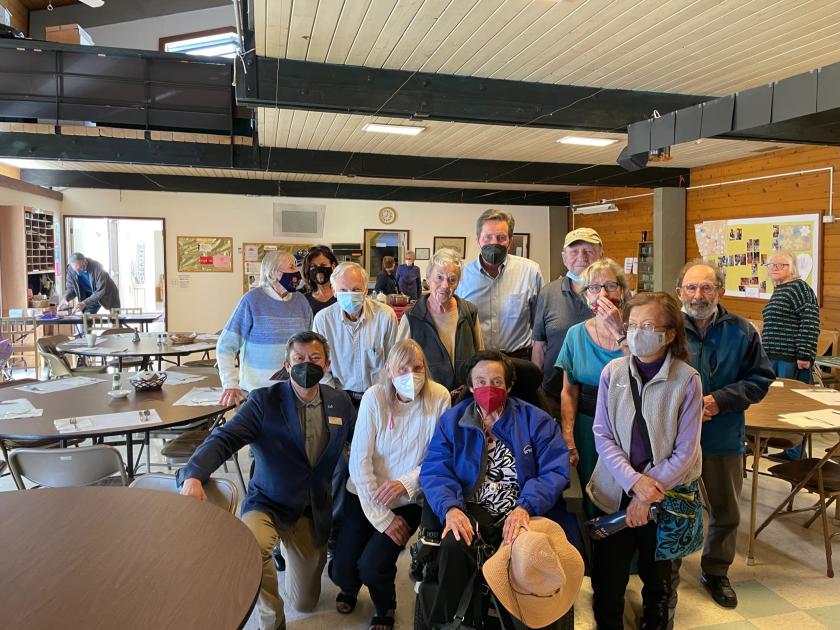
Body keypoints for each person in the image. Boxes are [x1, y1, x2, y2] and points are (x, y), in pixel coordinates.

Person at [178, 331, 356, 630]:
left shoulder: (340, 402)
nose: (306, 364)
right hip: (268, 502)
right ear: (287, 366)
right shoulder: (264, 401)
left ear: (326, 366)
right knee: (252, 549)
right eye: (298, 359)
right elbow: (225, 438)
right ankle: (272, 622)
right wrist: (194, 474)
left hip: (312, 509)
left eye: (314, 359)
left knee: (304, 602)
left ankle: (287, 551)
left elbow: (357, 446)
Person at [419, 350, 571, 625]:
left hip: (524, 510)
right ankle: (446, 622)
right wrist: (451, 508)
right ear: (470, 386)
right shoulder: (453, 422)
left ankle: (526, 619)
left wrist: (525, 507)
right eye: (481, 381)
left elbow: (555, 471)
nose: (488, 388)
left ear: (510, 386)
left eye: (497, 382)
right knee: (454, 545)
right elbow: (436, 470)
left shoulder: (536, 421)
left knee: (528, 560)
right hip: (471, 510)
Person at [588, 292, 703, 630]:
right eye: (633, 325)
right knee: (608, 580)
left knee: (661, 582)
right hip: (614, 491)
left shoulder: (687, 380)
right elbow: (602, 434)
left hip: (666, 498)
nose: (637, 333)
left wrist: (647, 491)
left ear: (669, 334)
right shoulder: (613, 372)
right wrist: (634, 483)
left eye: (648, 326)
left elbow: (686, 452)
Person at [330, 340, 450, 630]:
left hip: (409, 500)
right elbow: (359, 462)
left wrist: (404, 483)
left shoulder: (439, 397)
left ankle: (385, 605)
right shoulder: (374, 397)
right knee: (341, 571)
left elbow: (440, 457)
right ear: (389, 371)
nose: (412, 374)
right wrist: (382, 517)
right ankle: (350, 583)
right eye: (403, 368)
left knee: (372, 566)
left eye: (418, 367)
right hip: (365, 493)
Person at [675, 260, 772, 608]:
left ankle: (715, 571)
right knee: (673, 505)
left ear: (720, 291)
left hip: (723, 434)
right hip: (673, 438)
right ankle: (668, 570)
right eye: (691, 287)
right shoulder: (666, 328)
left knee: (726, 510)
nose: (698, 295)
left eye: (706, 288)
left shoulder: (742, 331)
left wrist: (720, 400)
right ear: (679, 292)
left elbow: (760, 380)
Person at [556, 258, 630, 518]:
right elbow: (569, 390)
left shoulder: (636, 330)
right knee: (590, 496)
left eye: (611, 285)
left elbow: (644, 376)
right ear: (586, 295)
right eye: (595, 287)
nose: (604, 294)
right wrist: (568, 436)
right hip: (588, 426)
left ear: (623, 290)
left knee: (626, 496)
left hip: (630, 427)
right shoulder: (575, 335)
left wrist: (619, 331)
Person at [216, 251, 312, 407]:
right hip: (256, 394)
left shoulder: (301, 302)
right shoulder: (252, 300)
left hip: (295, 393)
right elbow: (226, 345)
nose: (297, 272)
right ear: (273, 273)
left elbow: (309, 344)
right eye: (291, 267)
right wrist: (230, 383)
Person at [532, 227, 604, 417]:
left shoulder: (612, 292)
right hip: (553, 395)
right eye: (574, 251)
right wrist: (535, 389)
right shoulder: (548, 293)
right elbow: (539, 346)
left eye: (589, 250)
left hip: (599, 396)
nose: (582, 257)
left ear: (601, 255)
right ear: (564, 257)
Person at [455, 209, 543, 358]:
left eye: (501, 237)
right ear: (478, 240)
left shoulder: (530, 271)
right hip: (477, 361)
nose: (494, 243)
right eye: (487, 237)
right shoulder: (461, 275)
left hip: (519, 359)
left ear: (510, 241)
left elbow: (540, 325)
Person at [396, 248, 484, 395]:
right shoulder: (412, 317)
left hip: (464, 399)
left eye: (452, 279)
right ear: (428, 278)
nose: (445, 285)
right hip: (427, 400)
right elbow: (399, 366)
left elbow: (480, 358)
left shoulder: (469, 312)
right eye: (439, 277)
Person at [313, 261, 398, 404]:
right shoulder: (323, 320)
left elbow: (394, 360)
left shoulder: (385, 316)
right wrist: (333, 397)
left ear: (366, 290)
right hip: (338, 395)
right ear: (334, 291)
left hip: (378, 396)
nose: (350, 295)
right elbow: (319, 364)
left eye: (356, 289)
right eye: (343, 290)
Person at [762, 251, 820, 460]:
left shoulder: (799, 288)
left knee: (792, 405)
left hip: (789, 358)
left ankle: (795, 454)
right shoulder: (781, 289)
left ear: (793, 267)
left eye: (782, 265)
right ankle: (786, 450)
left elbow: (810, 322)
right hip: (774, 356)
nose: (776, 268)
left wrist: (804, 354)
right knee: (775, 405)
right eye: (772, 265)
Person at [302, 245, 339, 316]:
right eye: (313, 266)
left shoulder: (342, 296)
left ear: (333, 266)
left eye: (323, 265)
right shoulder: (304, 300)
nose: (318, 270)